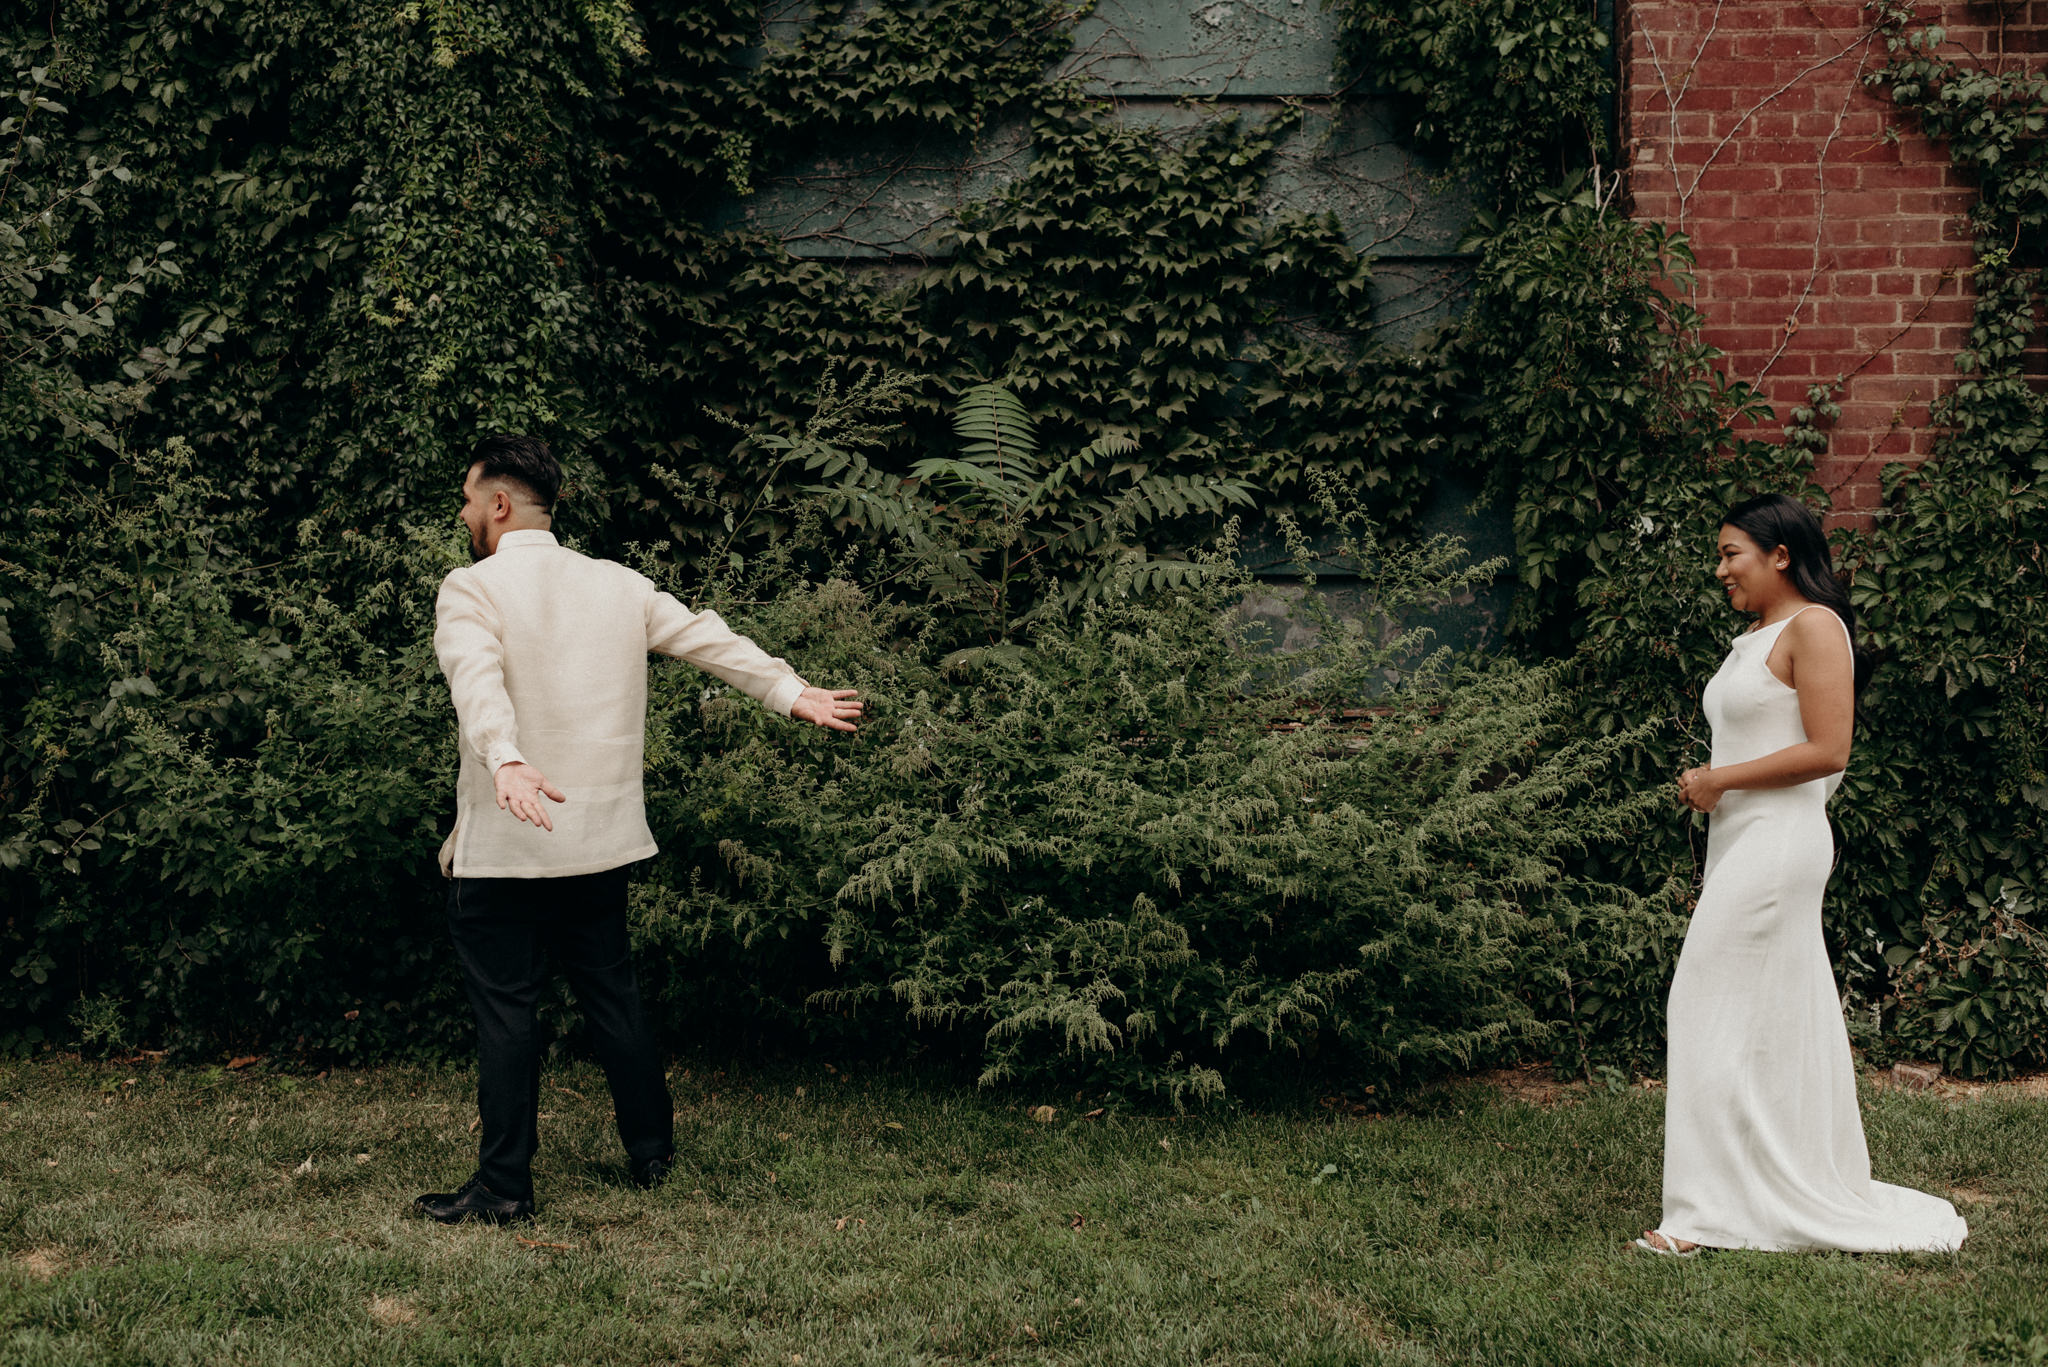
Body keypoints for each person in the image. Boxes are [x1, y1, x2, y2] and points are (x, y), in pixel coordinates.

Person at [413, 434, 863, 1224]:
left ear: (499, 502)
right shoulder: (618, 584)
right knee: (612, 996)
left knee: (509, 1014)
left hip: (510, 846)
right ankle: (652, 1151)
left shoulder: (469, 587)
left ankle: (504, 1188)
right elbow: (709, 638)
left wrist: (505, 758)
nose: (463, 513)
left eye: (467, 497)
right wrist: (788, 690)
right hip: (597, 843)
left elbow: (472, 677)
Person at [1634, 493, 1966, 1256]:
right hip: (1743, 838)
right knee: (1770, 1017)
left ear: (1780, 554)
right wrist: (1723, 791)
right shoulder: (1755, 635)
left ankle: (1699, 1219)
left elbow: (1831, 749)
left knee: (1699, 1003)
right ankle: (1768, 1184)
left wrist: (1721, 781)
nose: (1720, 569)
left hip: (1778, 843)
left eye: (1731, 554)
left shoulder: (1815, 627)